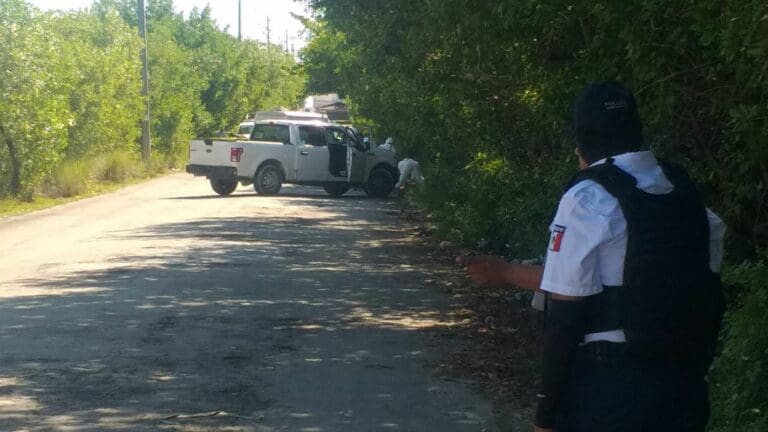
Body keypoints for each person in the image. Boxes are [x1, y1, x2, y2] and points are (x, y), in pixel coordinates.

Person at [458, 81, 725, 432]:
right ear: (637, 131)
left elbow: (564, 321)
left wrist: (545, 418)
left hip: (609, 392)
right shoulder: (687, 197)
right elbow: (651, 284)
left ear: (580, 143)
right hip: (684, 391)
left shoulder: (588, 200)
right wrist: (508, 272)